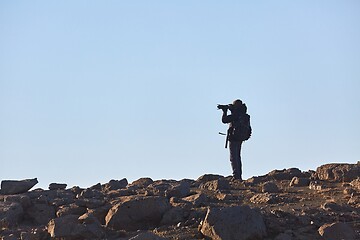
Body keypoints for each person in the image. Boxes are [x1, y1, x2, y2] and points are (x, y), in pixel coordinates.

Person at [218, 99, 251, 180]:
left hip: (233, 138)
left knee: (233, 157)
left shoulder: (236, 115)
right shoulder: (244, 115)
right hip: (240, 138)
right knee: (238, 156)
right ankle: (238, 175)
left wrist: (224, 111)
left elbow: (224, 120)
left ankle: (236, 176)